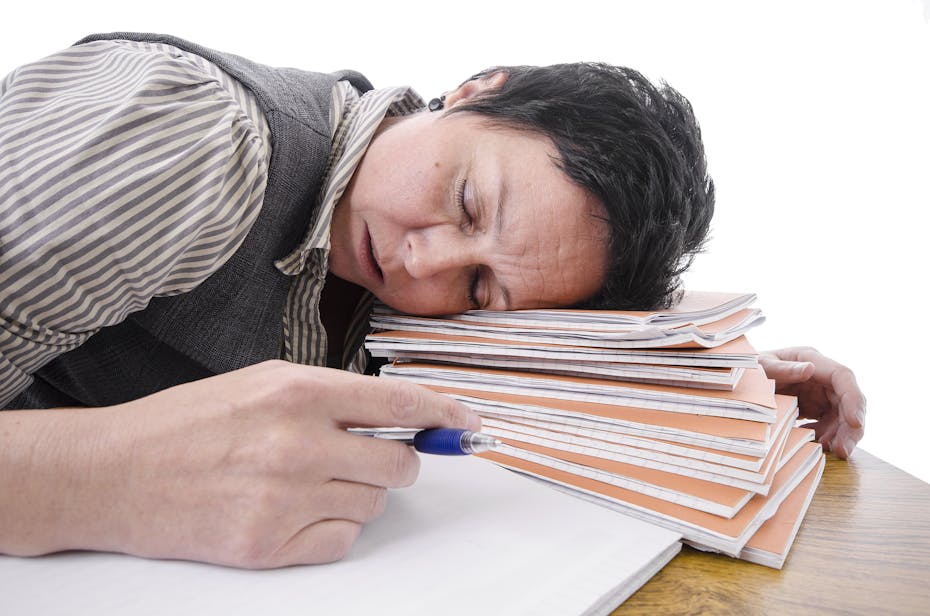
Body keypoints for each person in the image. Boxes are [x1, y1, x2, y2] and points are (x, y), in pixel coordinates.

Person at [0, 33, 866, 569]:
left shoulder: (399, 297)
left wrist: (717, 375)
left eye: (481, 290)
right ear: (481, 89)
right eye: (467, 203)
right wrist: (101, 481)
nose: (424, 265)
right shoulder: (193, 142)